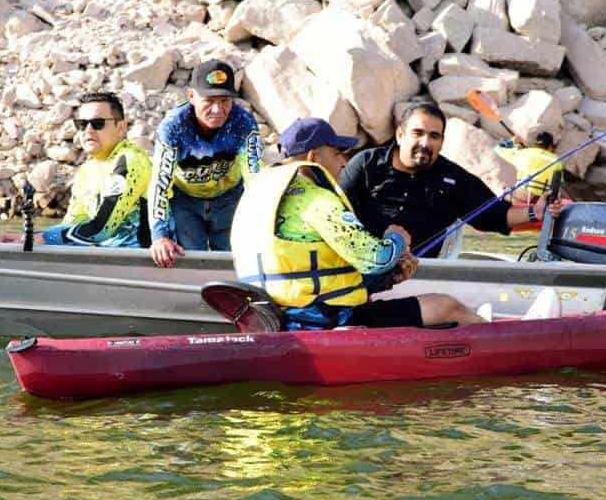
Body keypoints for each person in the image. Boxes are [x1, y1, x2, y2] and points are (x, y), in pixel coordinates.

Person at [230, 117, 486, 331]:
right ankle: (498, 343)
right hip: (326, 319)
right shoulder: (316, 200)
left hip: (281, 316)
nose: (344, 162)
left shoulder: (260, 193)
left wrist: (388, 280)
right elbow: (377, 259)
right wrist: (397, 238)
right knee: (447, 307)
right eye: (337, 153)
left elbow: (309, 274)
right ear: (313, 157)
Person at [338, 102, 563, 258]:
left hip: (424, 274)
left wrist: (536, 212)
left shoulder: (453, 179)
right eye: (418, 133)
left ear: (442, 142)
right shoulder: (366, 165)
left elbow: (494, 214)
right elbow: (336, 215)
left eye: (434, 136)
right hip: (362, 268)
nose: (426, 143)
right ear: (400, 135)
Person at [148, 59, 263, 268]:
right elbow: (159, 182)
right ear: (191, 96)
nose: (217, 109)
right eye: (209, 100)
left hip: (229, 199)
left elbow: (255, 173)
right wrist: (159, 235)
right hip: (186, 202)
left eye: (225, 100)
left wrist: (259, 218)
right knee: (190, 262)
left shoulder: (243, 122)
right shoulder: (173, 127)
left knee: (235, 261)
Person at [0, 92, 151, 247]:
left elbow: (102, 228)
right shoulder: (87, 170)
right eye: (82, 124)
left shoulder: (130, 161)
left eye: (98, 123)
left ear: (121, 127)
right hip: (105, 257)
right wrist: (31, 236)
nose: (88, 130)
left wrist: (44, 239)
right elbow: (72, 223)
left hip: (139, 259)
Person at [494, 130, 562, 203]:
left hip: (522, 195)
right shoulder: (557, 160)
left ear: (536, 144)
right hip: (542, 199)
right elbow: (558, 185)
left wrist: (513, 141)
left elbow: (498, 148)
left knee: (503, 190)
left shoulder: (524, 153)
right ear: (550, 146)